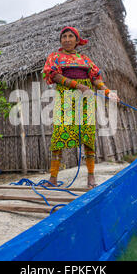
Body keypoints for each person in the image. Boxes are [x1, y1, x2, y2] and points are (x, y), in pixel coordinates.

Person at [42, 26, 120, 189]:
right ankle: (53, 178)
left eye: (71, 36)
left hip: (85, 101)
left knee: (88, 137)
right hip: (66, 99)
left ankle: (91, 177)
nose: (67, 39)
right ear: (61, 40)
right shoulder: (55, 57)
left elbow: (96, 79)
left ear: (77, 41)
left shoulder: (85, 59)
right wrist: (78, 86)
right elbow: (54, 75)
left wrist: (108, 93)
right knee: (59, 137)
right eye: (64, 36)